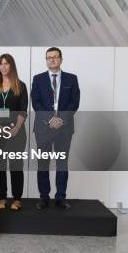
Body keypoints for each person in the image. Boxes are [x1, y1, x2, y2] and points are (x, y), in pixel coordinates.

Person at [31, 47, 80, 211]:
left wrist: (61, 120)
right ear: (46, 60)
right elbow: (36, 102)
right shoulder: (38, 79)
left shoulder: (71, 79)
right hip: (43, 128)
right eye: (48, 57)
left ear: (61, 59)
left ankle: (61, 198)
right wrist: (50, 119)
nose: (52, 60)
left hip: (64, 129)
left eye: (55, 57)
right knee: (43, 163)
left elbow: (75, 102)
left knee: (62, 163)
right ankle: (44, 198)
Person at [0, 54, 28, 211]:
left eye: (7, 63)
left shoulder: (20, 86)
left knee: (16, 165)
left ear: (12, 66)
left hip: (17, 131)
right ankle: (2, 197)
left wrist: (16, 128)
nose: (4, 67)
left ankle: (17, 198)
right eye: (1, 64)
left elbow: (23, 111)